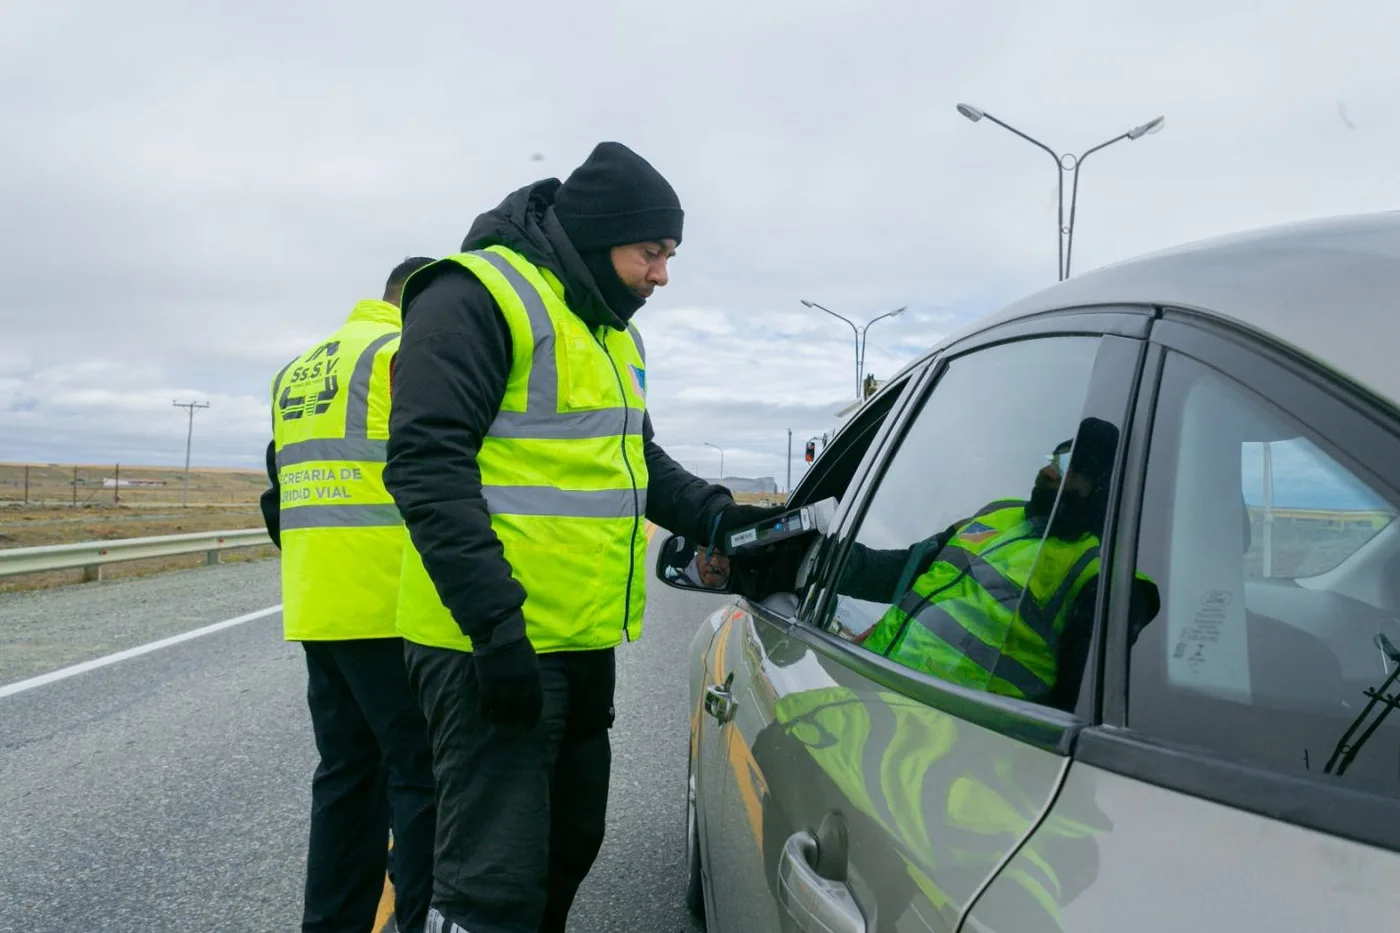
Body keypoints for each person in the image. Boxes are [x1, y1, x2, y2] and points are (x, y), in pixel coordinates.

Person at [383, 141, 782, 933]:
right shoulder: (477, 295)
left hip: (577, 641)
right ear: (602, 234)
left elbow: (640, 459)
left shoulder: (610, 332)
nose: (662, 275)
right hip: (485, 642)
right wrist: (495, 627)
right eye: (652, 253)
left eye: (669, 256)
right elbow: (426, 462)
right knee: (490, 883)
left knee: (569, 845)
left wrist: (719, 516)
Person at [260, 257, 439, 933]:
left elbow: (279, 488)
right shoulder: (404, 354)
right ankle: (419, 919)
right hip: (390, 599)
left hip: (318, 604)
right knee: (420, 778)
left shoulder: (302, 367)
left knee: (345, 778)